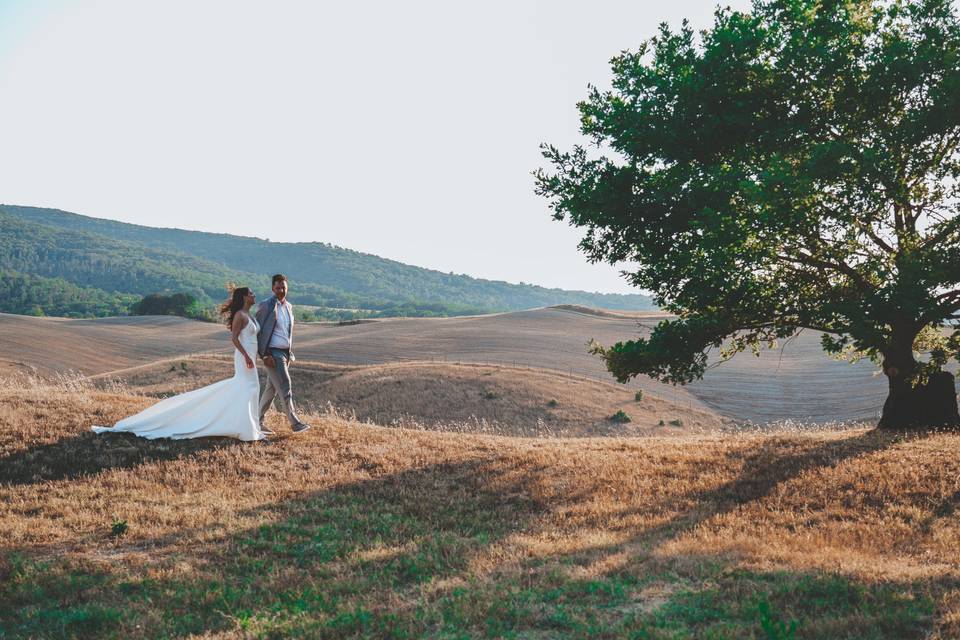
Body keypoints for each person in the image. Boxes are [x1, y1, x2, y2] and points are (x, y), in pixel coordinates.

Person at [92, 287, 266, 441]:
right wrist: (247, 357)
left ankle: (248, 427)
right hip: (244, 358)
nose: (254, 295)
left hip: (251, 356)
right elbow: (235, 338)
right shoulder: (240, 315)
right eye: (251, 293)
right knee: (247, 387)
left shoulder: (250, 314)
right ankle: (247, 429)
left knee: (249, 389)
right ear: (244, 297)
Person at [255, 273, 311, 434]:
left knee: (271, 389)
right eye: (277, 287)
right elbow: (257, 331)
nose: (280, 290)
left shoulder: (289, 307)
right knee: (285, 385)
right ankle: (295, 422)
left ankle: (257, 421)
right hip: (272, 353)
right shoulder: (266, 305)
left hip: (285, 353)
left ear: (287, 288)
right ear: (272, 288)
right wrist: (264, 355)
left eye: (283, 287)